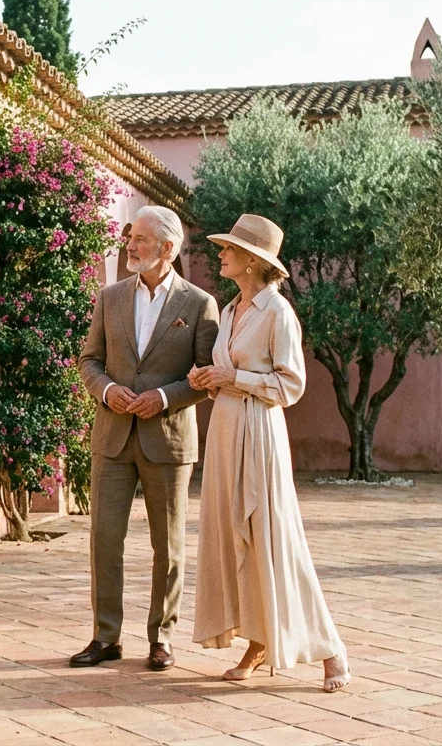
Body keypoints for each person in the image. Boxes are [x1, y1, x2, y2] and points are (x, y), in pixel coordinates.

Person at [188, 214, 352, 692]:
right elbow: (229, 371)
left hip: (259, 434)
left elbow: (291, 384)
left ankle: (330, 647)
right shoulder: (233, 308)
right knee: (236, 538)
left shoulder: (278, 312)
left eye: (229, 249)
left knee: (274, 537)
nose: (220, 254)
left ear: (253, 261)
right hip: (225, 430)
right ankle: (258, 643)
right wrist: (209, 380)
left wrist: (232, 379)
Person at [71, 206, 220, 671]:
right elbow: (89, 361)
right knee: (104, 539)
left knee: (168, 545)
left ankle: (163, 637)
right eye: (130, 236)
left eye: (139, 239)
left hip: (168, 441)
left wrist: (163, 396)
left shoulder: (198, 305)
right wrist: (108, 389)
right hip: (111, 437)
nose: (129, 245)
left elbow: (206, 377)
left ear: (168, 248)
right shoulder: (108, 297)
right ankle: (105, 637)